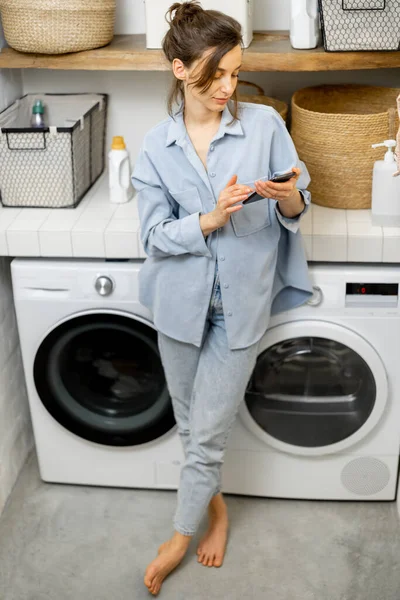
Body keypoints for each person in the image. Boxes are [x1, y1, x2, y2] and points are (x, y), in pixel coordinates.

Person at [131, 1, 313, 595]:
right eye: (217, 76)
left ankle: (181, 534)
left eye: (236, 73)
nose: (229, 87)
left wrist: (283, 195)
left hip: (242, 307)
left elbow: (297, 203)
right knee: (190, 425)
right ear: (182, 70)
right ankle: (216, 507)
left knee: (206, 433)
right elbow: (155, 237)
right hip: (178, 307)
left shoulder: (262, 125)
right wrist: (209, 219)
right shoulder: (156, 146)